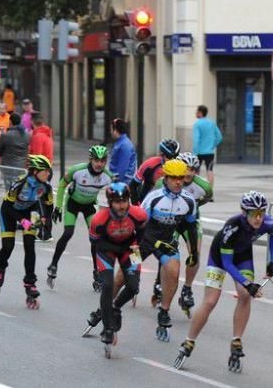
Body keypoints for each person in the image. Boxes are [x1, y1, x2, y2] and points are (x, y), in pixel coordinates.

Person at [173, 191, 273, 372]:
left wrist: (272, 262)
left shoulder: (267, 222)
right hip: (220, 257)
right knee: (211, 300)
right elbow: (228, 264)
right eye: (254, 214)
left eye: (262, 212)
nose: (259, 218)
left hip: (243, 255)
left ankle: (236, 340)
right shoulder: (233, 227)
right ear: (244, 212)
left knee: (245, 296)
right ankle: (189, 341)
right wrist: (248, 283)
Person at [84, 182, 149, 350]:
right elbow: (95, 243)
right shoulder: (99, 220)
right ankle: (107, 328)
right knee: (107, 285)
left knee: (134, 287)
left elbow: (142, 232)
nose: (121, 206)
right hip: (107, 250)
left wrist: (136, 246)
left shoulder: (139, 214)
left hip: (131, 249)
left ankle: (115, 307)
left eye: (124, 201)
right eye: (117, 202)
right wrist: (115, 251)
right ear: (110, 202)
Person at [140, 158, 199, 341]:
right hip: (143, 240)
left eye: (181, 177)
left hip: (167, 241)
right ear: (165, 178)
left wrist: (193, 252)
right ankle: (111, 308)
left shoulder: (188, 201)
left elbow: (190, 227)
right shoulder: (154, 197)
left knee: (174, 273)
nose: (178, 181)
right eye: (174, 178)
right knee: (124, 276)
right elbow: (139, 225)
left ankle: (163, 312)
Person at [46, 145, 114, 289]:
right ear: (90, 160)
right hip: (73, 203)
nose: (99, 164)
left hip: (89, 205)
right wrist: (57, 206)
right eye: (96, 160)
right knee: (68, 233)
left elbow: (118, 193)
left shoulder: (108, 176)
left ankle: (97, 272)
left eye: (102, 161)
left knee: (96, 239)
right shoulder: (77, 171)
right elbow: (62, 184)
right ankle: (53, 264)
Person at [0, 154, 55, 309]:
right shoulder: (20, 184)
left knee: (29, 246)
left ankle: (30, 283)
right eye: (45, 171)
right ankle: (0, 266)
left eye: (49, 171)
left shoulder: (45, 187)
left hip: (29, 211)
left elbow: (48, 207)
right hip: (9, 212)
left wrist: (46, 223)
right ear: (34, 171)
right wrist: (22, 221)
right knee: (8, 246)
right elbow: (7, 207)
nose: (48, 174)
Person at [154, 152, 213, 316]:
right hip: (170, 221)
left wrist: (194, 207)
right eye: (186, 169)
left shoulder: (204, 186)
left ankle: (187, 288)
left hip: (190, 222)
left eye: (193, 169)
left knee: (195, 255)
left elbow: (206, 197)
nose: (189, 173)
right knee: (170, 255)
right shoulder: (162, 183)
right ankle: (160, 282)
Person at [132, 138, 180, 202]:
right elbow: (133, 185)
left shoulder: (180, 167)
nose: (173, 160)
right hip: (148, 201)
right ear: (162, 155)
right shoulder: (150, 164)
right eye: (170, 157)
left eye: (176, 157)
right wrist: (135, 203)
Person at [0, 112, 30, 187]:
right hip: (22, 168)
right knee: (20, 189)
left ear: (10, 122)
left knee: (10, 190)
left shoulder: (5, 135)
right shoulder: (26, 135)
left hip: (8, 168)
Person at [192, 105, 223, 186]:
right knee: (210, 170)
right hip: (210, 152)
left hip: (199, 153)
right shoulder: (212, 123)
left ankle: (197, 191)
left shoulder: (197, 124)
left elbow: (196, 140)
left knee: (196, 172)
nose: (196, 113)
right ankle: (210, 192)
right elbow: (219, 137)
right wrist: (212, 145)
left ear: (200, 113)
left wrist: (194, 152)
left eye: (197, 111)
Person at [108, 118, 137, 185]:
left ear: (115, 130)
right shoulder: (121, 143)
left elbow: (123, 167)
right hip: (120, 181)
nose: (110, 132)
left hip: (122, 182)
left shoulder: (124, 145)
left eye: (111, 129)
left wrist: (117, 183)